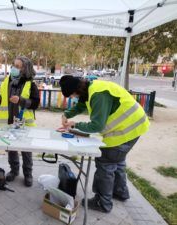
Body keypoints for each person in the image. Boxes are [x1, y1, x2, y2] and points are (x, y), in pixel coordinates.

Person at [59, 75, 150, 213]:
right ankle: (120, 192)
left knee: (106, 162)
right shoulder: (90, 89)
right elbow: (81, 105)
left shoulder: (98, 95)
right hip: (135, 125)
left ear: (77, 90)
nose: (72, 98)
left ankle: (103, 202)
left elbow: (97, 126)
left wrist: (75, 124)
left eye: (72, 95)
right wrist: (66, 115)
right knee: (117, 161)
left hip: (127, 129)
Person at [0, 56, 40, 187]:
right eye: (14, 65)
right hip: (8, 122)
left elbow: (35, 103)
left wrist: (21, 101)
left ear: (25, 68)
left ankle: (28, 174)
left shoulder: (30, 84)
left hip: (24, 124)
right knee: (11, 148)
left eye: (18, 66)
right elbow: (0, 100)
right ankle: (14, 170)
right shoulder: (7, 81)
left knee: (26, 150)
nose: (14, 68)